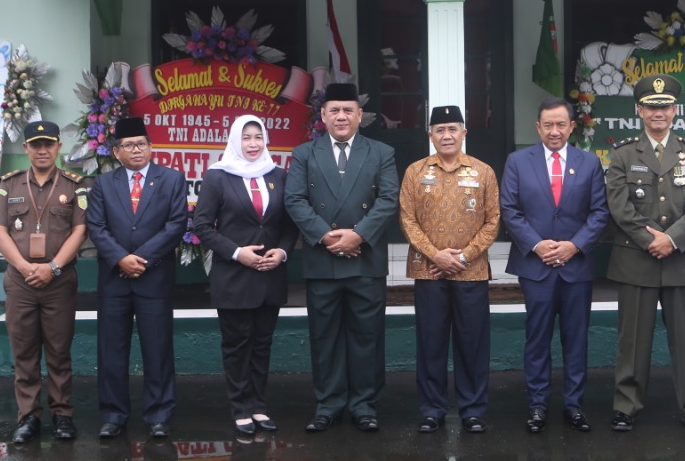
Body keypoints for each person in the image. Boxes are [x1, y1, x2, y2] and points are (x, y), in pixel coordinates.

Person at [284, 82, 400, 433]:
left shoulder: (381, 152)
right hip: (323, 260)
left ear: (359, 115)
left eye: (348, 110)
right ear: (323, 115)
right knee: (325, 336)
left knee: (367, 336)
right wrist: (326, 236)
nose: (341, 116)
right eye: (334, 110)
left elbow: (388, 199)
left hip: (366, 260)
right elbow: (294, 199)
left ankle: (365, 405)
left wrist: (358, 235)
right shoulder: (304, 153)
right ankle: (328, 404)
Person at [605, 74, 685, 433]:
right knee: (632, 340)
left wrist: (672, 239)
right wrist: (649, 239)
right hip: (636, 258)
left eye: (664, 106)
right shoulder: (623, 154)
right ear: (639, 110)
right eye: (651, 107)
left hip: (681, 258)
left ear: (675, 110)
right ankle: (626, 406)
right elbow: (619, 206)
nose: (658, 113)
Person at [501, 97, 609, 433]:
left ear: (572, 126)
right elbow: (510, 210)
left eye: (561, 124)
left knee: (576, 338)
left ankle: (574, 404)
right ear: (538, 127)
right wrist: (537, 245)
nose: (554, 131)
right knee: (537, 338)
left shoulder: (589, 163)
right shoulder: (518, 161)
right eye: (548, 124)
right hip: (537, 267)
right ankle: (537, 404)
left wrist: (574, 246)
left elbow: (599, 212)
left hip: (576, 267)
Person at [398, 105, 501, 434]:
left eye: (452, 129)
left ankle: (473, 410)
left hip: (471, 271)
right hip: (429, 271)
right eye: (440, 130)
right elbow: (407, 220)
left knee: (473, 343)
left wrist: (463, 257)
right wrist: (435, 255)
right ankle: (432, 410)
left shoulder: (483, 171)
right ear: (430, 134)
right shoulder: (415, 171)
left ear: (464, 133)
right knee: (431, 343)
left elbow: (493, 221)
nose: (446, 135)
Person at [193, 116, 298, 436]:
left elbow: (289, 225)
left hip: (270, 275)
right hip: (234, 277)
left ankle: (258, 406)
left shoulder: (278, 175)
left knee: (262, 344)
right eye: (246, 137)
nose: (253, 144)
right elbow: (202, 227)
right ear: (235, 140)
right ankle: (240, 408)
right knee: (237, 345)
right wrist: (238, 253)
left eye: (258, 137)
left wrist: (282, 252)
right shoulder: (217, 176)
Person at [86, 116, 189, 439]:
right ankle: (113, 415)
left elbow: (176, 224)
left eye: (141, 144)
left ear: (151, 147)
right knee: (111, 351)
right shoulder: (103, 184)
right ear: (117, 151)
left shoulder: (171, 179)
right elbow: (96, 227)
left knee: (157, 350)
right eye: (128, 145)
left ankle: (159, 415)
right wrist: (121, 258)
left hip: (153, 278)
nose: (136, 150)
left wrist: (140, 259)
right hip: (114, 280)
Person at [0, 120, 88, 444]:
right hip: (21, 282)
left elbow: (80, 231)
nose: (42, 150)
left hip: (59, 282)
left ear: (59, 146)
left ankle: (62, 415)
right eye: (36, 145)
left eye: (48, 144)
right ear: (26, 148)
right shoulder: (9, 184)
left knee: (59, 351)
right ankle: (28, 417)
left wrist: (53, 268)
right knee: (24, 352)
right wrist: (23, 267)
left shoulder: (73, 186)